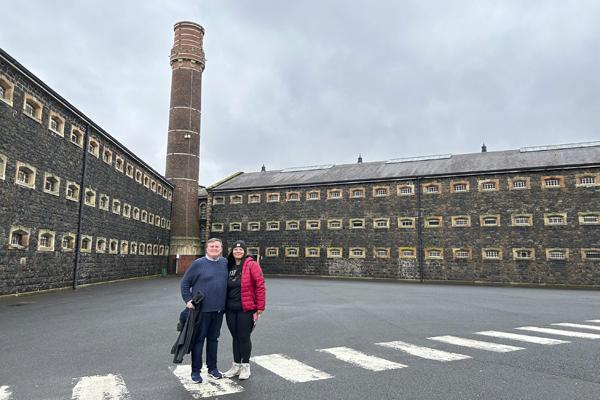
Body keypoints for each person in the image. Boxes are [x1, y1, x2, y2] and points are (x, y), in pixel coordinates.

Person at [180, 238, 228, 383]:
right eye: (212, 246)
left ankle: (213, 369)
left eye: (217, 246)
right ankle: (196, 371)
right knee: (199, 340)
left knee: (214, 340)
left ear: (221, 248)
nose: (214, 248)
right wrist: (188, 300)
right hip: (201, 310)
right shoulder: (198, 264)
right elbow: (185, 282)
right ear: (206, 248)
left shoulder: (225, 263)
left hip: (219, 310)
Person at [223, 240, 266, 380]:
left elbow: (260, 285)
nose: (238, 251)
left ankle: (245, 366)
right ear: (232, 251)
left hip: (246, 308)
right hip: (230, 308)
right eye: (235, 249)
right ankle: (236, 365)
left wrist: (260, 307)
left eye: (241, 249)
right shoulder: (228, 265)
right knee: (235, 337)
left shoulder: (251, 264)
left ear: (244, 251)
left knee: (244, 337)